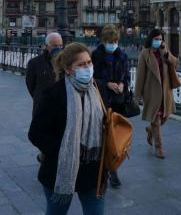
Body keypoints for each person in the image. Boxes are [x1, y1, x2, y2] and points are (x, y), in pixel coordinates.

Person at [28, 43, 106, 215]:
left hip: (93, 170)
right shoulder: (53, 94)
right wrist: (65, 149)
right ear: (68, 69)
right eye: (81, 64)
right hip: (60, 169)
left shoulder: (98, 89)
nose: (87, 67)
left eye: (89, 62)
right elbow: (35, 134)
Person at [92, 25, 129, 187]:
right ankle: (109, 171)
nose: (112, 44)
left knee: (115, 138)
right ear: (103, 40)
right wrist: (107, 84)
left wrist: (122, 84)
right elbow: (92, 78)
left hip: (118, 102)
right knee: (104, 137)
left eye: (114, 41)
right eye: (109, 41)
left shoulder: (122, 55)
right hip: (101, 101)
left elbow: (127, 75)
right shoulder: (96, 55)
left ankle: (111, 169)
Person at [134, 29, 180, 159]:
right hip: (152, 92)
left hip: (166, 91)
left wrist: (167, 55)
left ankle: (150, 130)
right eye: (156, 39)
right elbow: (140, 75)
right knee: (156, 120)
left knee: (165, 116)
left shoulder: (164, 50)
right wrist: (137, 95)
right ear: (151, 39)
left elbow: (176, 63)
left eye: (160, 39)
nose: (158, 41)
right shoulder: (145, 54)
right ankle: (159, 148)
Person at [26, 32, 63, 101]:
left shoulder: (65, 62)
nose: (58, 48)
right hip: (42, 105)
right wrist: (39, 98)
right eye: (55, 46)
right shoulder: (34, 63)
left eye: (60, 46)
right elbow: (30, 85)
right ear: (46, 46)